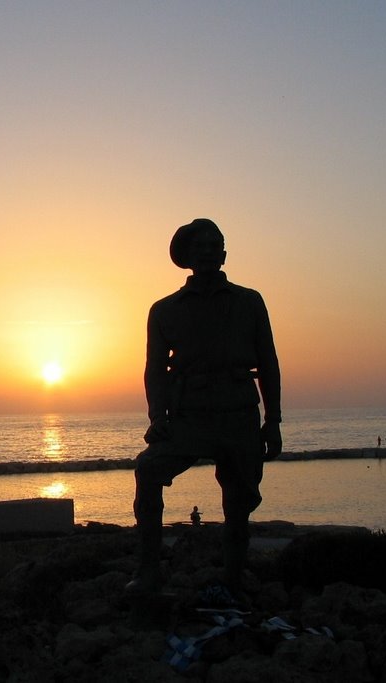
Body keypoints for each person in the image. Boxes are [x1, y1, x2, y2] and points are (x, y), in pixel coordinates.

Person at [128, 218, 281, 598]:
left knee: (240, 504)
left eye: (216, 245)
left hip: (238, 413)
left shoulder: (250, 301)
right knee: (148, 470)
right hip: (189, 416)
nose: (210, 251)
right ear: (187, 257)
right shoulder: (164, 310)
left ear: (225, 253)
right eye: (202, 246)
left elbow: (269, 362)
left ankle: (234, 578)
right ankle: (148, 572)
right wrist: (157, 417)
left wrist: (273, 419)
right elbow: (154, 369)